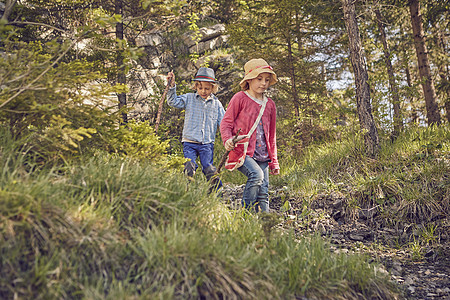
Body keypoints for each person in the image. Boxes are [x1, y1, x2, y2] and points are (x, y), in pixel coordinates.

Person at [220, 58, 280, 212]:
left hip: (263, 153)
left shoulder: (270, 105)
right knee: (256, 175)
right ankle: (245, 213)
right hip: (243, 151)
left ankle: (265, 222)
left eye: (267, 80)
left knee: (264, 190)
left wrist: (274, 161)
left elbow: (271, 135)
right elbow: (226, 122)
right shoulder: (240, 98)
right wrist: (227, 139)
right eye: (259, 79)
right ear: (249, 79)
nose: (263, 83)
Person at [166, 67, 225, 191]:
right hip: (190, 142)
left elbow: (224, 123)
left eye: (207, 88)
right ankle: (188, 191)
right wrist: (171, 87)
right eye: (200, 88)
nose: (203, 91)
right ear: (196, 87)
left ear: (213, 88)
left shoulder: (216, 104)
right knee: (189, 166)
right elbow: (173, 102)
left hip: (207, 143)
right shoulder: (189, 98)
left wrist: (230, 137)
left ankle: (216, 192)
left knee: (209, 168)